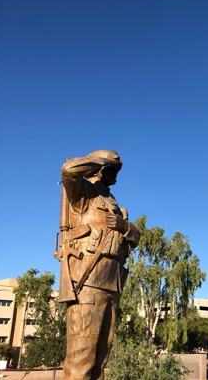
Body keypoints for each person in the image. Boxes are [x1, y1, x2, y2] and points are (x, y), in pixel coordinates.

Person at [57, 150, 139, 380]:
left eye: (117, 169)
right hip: (88, 281)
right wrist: (100, 160)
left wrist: (126, 226)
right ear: (98, 168)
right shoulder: (83, 194)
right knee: (81, 354)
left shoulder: (112, 202)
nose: (115, 172)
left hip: (112, 282)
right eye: (112, 168)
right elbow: (69, 171)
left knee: (101, 357)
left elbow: (136, 237)